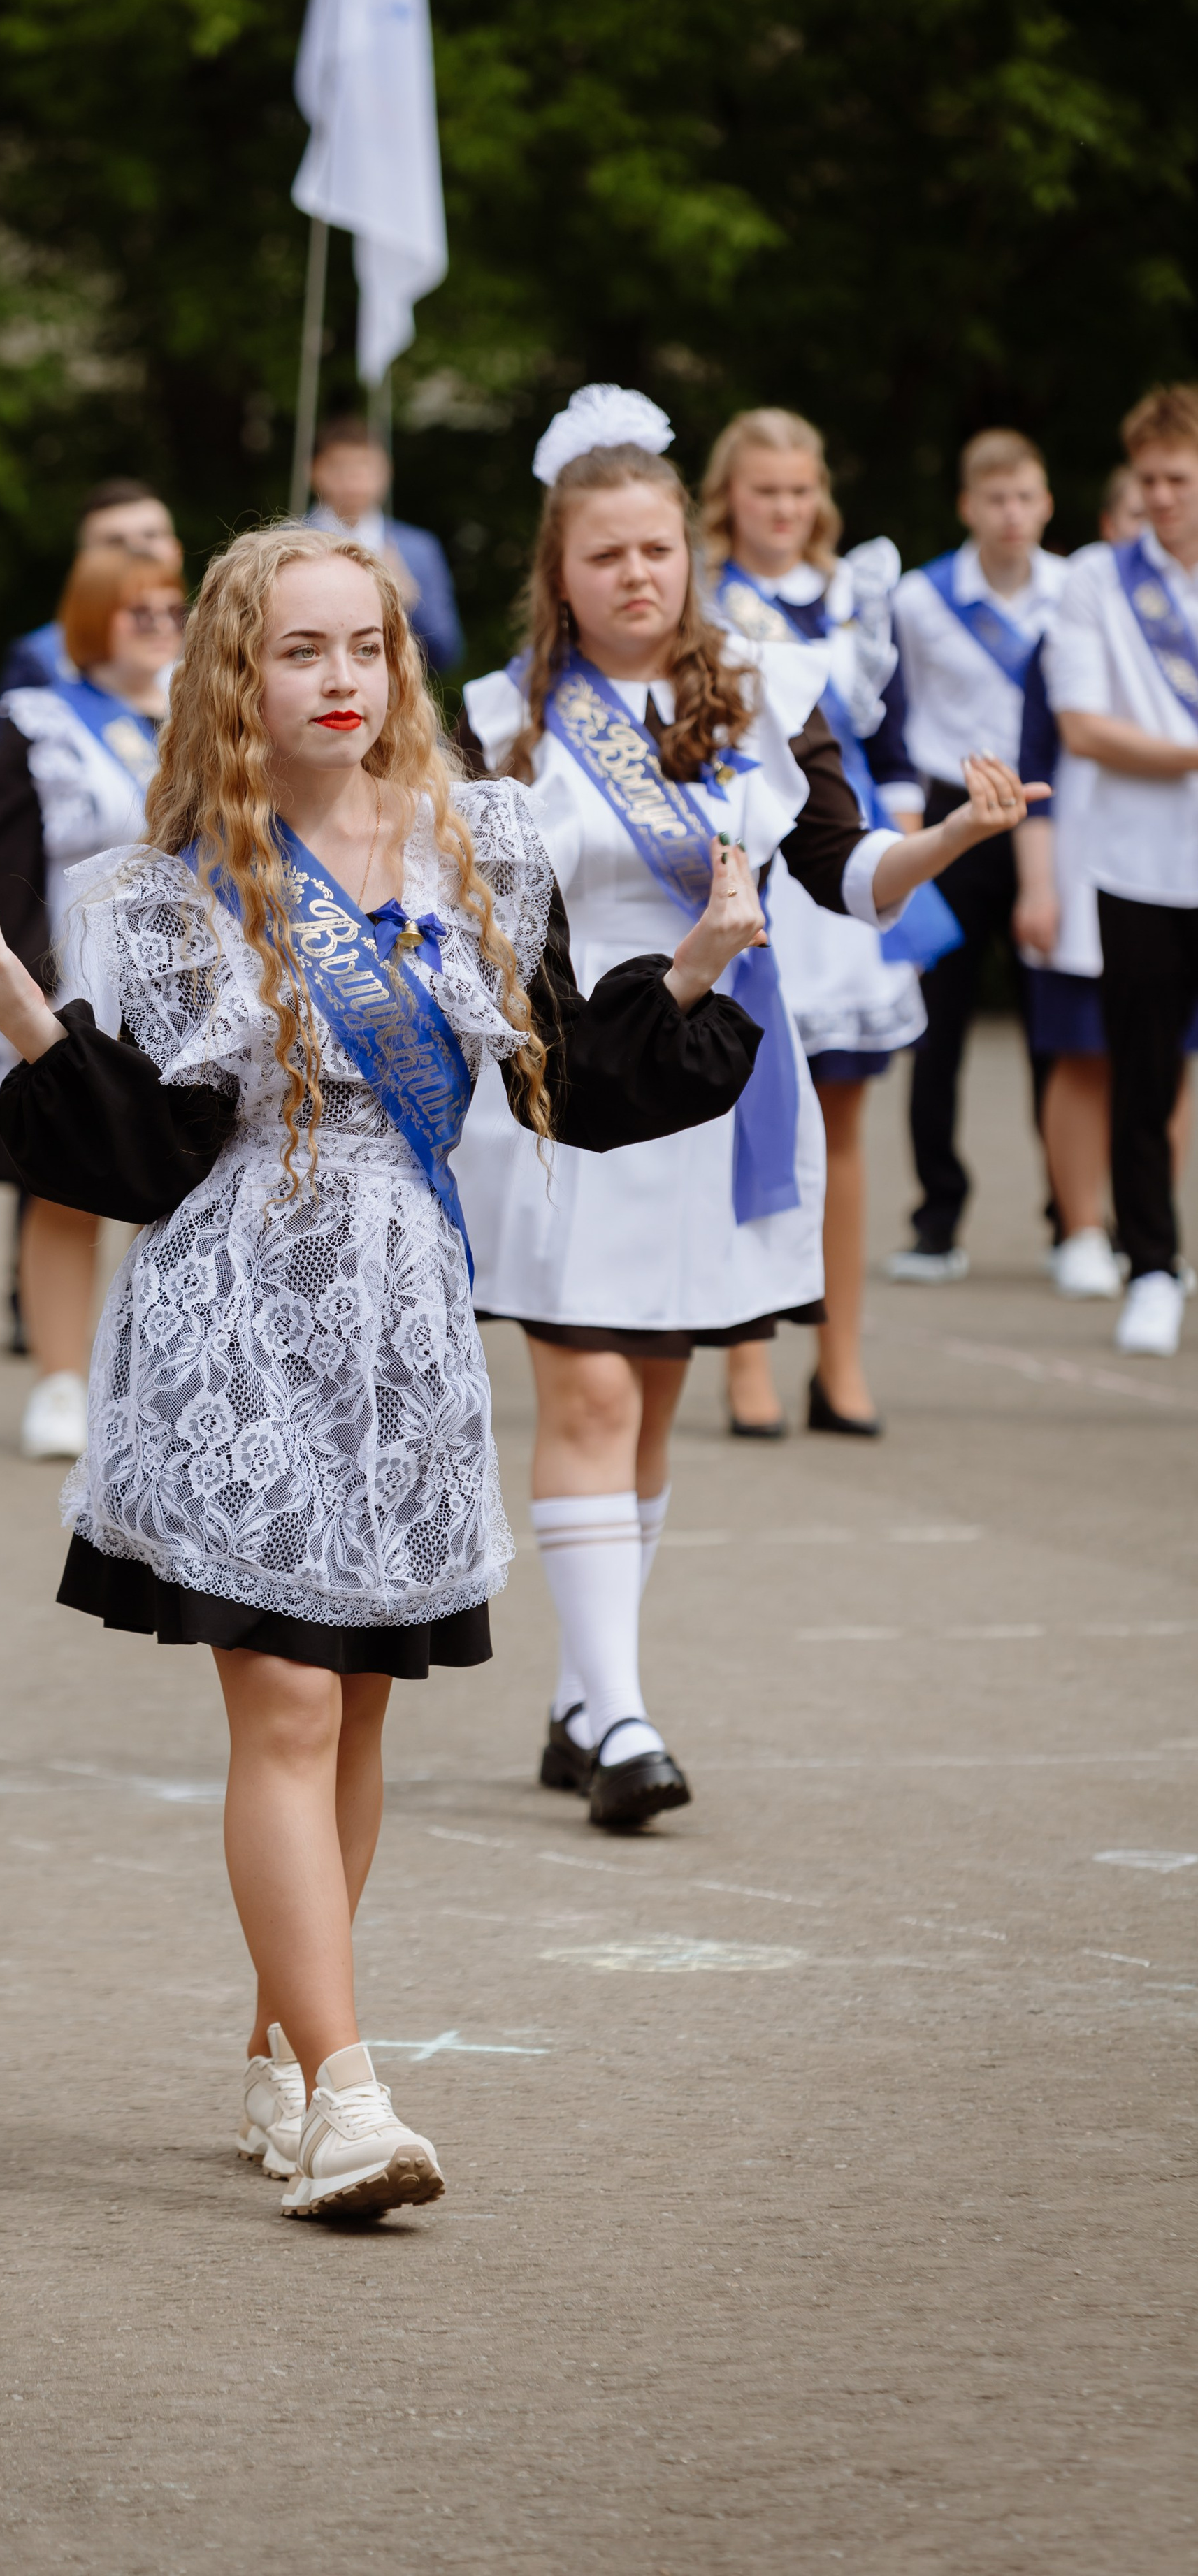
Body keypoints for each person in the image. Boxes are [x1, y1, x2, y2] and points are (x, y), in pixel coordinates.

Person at [0, 521, 766, 2217]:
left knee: (357, 1706)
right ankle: (351, 2096)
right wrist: (25, 1022)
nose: (338, 681)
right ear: (237, 674)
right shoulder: (165, 893)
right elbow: (149, 1159)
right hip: (234, 1320)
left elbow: (563, 1083)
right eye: (299, 651)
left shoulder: (483, 846)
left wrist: (692, 961)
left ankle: (278, 2052)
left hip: (403, 1331)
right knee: (289, 1702)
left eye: (363, 649)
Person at [452, 386, 1037, 1832]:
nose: (636, 575)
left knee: (647, 1403)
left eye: (656, 549)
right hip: (566, 1090)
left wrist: (952, 835)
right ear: (558, 571)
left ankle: (587, 1692)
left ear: (687, 553)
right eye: (604, 556)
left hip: (718, 1094)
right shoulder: (489, 722)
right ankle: (626, 1724)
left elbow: (842, 874)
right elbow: (485, 928)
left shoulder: (771, 690)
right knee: (584, 1388)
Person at [700, 407, 950, 1438]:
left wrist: (905, 825)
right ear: (729, 498)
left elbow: (891, 736)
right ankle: (747, 1353)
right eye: (766, 492)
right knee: (748, 1112)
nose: (786, 510)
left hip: (847, 879)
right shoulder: (705, 601)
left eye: (801, 492)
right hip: (760, 885)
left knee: (844, 1124)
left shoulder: (859, 596)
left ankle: (837, 1357)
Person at [0, 542, 187, 1456]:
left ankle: (161, 1384)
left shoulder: (213, 714)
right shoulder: (41, 718)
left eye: (174, 611)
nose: (163, 628)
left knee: (191, 1186)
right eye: (141, 612)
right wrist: (16, 989)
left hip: (193, 980)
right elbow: (6, 861)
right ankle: (58, 1381)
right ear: (92, 618)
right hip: (78, 978)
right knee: (66, 1188)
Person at [886, 429, 1069, 1282]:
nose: (1010, 515)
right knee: (941, 1029)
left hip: (1047, 814)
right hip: (952, 820)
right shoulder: (919, 599)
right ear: (968, 506)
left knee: (1055, 1028)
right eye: (995, 499)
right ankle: (936, 1218)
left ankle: (1074, 1219)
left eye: (1025, 498)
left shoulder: (1075, 592)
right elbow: (893, 716)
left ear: (1046, 504)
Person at [1042, 384, 1198, 1356]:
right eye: (1148, 480)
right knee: (1144, 1076)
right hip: (1141, 868)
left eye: (1179, 479)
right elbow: (1084, 728)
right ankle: (1152, 1266)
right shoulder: (1098, 580)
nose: (1162, 497)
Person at [305, 414, 463, 674]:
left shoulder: (419, 549)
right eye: (340, 468)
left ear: (386, 472)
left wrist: (411, 602)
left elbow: (446, 653)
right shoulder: (281, 543)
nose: (354, 480)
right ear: (314, 471)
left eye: (365, 467)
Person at [0, 480, 184, 695]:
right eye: (115, 543)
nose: (137, 551)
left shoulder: (212, 641)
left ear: (177, 552)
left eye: (151, 536)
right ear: (84, 566)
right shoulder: (43, 656)